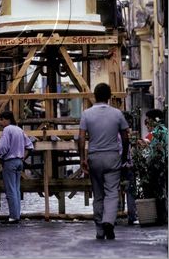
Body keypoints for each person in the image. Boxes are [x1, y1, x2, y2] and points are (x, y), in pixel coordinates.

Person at [78, 83, 129, 240]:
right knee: (112, 192)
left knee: (98, 194)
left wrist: (82, 158)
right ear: (109, 97)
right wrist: (124, 157)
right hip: (112, 156)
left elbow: (81, 138)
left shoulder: (86, 114)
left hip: (94, 157)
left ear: (94, 95)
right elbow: (126, 138)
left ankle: (100, 229)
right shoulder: (117, 114)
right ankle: (109, 221)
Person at [0, 111, 34, 224]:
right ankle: (16, 214)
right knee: (16, 189)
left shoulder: (7, 130)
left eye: (1, 119)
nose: (0, 122)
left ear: (6, 120)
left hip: (10, 161)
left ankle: (13, 216)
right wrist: (23, 157)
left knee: (10, 189)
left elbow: (3, 146)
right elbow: (30, 146)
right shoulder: (19, 129)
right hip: (19, 161)